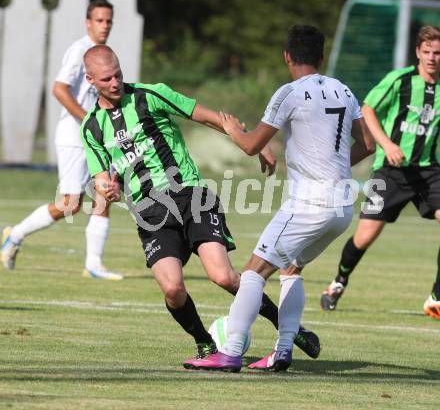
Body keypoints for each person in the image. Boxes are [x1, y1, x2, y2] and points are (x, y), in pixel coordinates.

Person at [79, 44, 322, 363]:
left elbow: (209, 118)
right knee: (172, 289)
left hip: (190, 195)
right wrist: (106, 188)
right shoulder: (91, 127)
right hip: (150, 213)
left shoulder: (150, 95)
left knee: (224, 277)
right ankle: (205, 343)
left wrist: (254, 143)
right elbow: (100, 176)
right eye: (107, 78)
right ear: (90, 79)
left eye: (119, 74)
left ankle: (289, 327)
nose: (115, 83)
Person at [184, 24, 374, 372]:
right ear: (321, 56)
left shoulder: (288, 93)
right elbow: (369, 144)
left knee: (254, 271)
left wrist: (232, 128)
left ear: (287, 57)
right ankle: (284, 349)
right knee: (291, 267)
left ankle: (231, 351)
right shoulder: (343, 90)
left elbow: (251, 144)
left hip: (309, 202)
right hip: (343, 205)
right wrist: (334, 168)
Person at [321, 25, 440, 319]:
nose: (432, 58)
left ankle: (436, 297)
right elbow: (368, 108)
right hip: (390, 172)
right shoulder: (399, 80)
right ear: (417, 52)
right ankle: (339, 281)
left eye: (437, 53)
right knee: (364, 238)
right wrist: (386, 144)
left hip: (429, 171)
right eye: (427, 52)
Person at [1, 0, 123, 280]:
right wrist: (89, 121)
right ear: (88, 22)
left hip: (97, 137)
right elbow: (59, 89)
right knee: (70, 204)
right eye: (99, 20)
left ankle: (94, 263)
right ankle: (15, 235)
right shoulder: (79, 50)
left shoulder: (103, 53)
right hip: (74, 136)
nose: (105, 25)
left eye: (109, 21)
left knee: (106, 191)